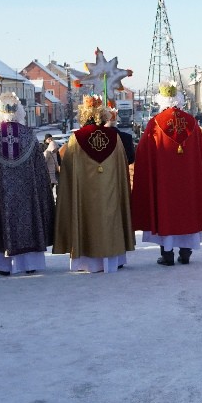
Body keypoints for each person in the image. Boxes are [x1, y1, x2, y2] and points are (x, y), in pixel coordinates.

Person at [131, 83, 202, 265]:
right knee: (187, 211)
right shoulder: (191, 122)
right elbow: (201, 153)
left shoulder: (155, 123)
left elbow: (144, 153)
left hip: (164, 182)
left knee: (165, 211)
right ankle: (185, 253)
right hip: (189, 181)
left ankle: (167, 254)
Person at [0, 92, 55, 276]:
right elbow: (40, 170)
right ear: (19, 112)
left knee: (1, 221)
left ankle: (4, 266)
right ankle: (30, 264)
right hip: (27, 195)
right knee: (28, 222)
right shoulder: (29, 135)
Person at [53, 95, 135, 273]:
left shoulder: (76, 139)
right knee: (110, 217)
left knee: (86, 218)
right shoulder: (115, 138)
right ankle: (112, 260)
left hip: (84, 197)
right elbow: (122, 168)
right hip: (110, 194)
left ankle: (88, 263)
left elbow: (67, 171)